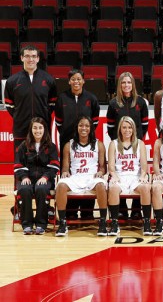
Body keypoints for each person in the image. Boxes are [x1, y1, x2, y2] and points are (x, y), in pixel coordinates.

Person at [54, 69, 100, 220]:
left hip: (86, 142)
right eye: (73, 79)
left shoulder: (91, 98)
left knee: (88, 175)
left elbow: (95, 122)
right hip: (68, 142)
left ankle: (87, 211)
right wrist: (69, 136)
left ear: (83, 81)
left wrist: (85, 135)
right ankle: (71, 211)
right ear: (69, 81)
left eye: (79, 79)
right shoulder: (62, 98)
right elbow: (59, 122)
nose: (76, 82)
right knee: (69, 174)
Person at [54, 116, 108, 237]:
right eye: (81, 125)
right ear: (77, 127)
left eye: (87, 126)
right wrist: (65, 172)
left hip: (92, 177)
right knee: (61, 186)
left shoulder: (99, 144)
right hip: (76, 177)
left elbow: (103, 167)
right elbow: (65, 167)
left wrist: (101, 172)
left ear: (91, 128)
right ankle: (63, 223)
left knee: (101, 185)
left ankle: (103, 222)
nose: (84, 128)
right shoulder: (69, 145)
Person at [106, 71, 149, 219]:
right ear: (119, 85)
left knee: (138, 175)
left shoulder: (141, 102)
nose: (126, 85)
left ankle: (137, 209)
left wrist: (137, 143)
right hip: (119, 144)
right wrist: (118, 144)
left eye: (129, 82)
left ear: (133, 84)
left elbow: (144, 125)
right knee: (119, 176)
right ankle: (121, 209)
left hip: (136, 144)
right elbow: (111, 128)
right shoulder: (113, 103)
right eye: (123, 82)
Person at [4, 44, 57, 152]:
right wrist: (19, 115)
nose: (30, 59)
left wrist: (44, 115)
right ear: (22, 58)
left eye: (33, 56)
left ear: (38, 58)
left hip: (42, 128)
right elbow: (9, 104)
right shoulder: (12, 81)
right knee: (21, 162)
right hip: (21, 127)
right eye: (27, 56)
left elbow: (52, 102)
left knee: (43, 161)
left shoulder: (48, 79)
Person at [14, 117, 59, 235]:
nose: (37, 131)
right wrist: (24, 177)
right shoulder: (24, 145)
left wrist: (45, 177)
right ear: (31, 129)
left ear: (44, 129)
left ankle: (41, 224)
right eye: (35, 128)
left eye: (40, 128)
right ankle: (27, 223)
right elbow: (18, 164)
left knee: (42, 189)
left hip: (45, 179)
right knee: (24, 189)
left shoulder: (51, 146)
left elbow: (54, 166)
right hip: (27, 178)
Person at [107, 116, 151, 236]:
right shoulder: (113, 144)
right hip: (120, 176)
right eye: (124, 127)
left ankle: (146, 222)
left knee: (146, 188)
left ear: (133, 129)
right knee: (113, 188)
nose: (127, 130)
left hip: (135, 177)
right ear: (120, 129)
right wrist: (113, 175)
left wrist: (143, 175)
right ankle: (115, 223)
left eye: (129, 127)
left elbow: (144, 165)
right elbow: (111, 166)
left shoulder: (140, 143)